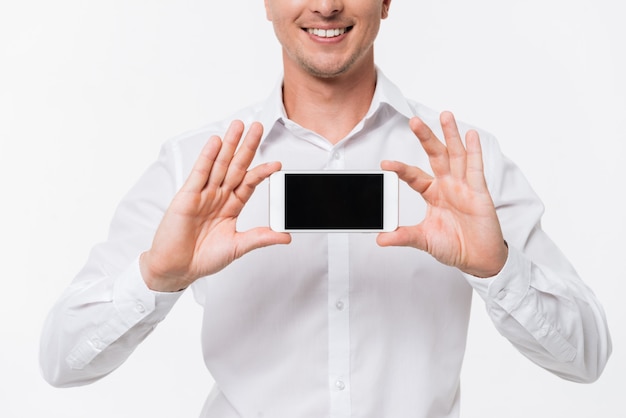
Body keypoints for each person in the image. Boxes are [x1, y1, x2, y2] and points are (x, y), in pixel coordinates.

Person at [40, 0, 611, 416]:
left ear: (387, 2)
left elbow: (587, 357)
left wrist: (498, 268)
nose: (327, 5)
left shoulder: (462, 164)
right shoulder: (197, 166)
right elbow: (62, 360)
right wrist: (157, 278)